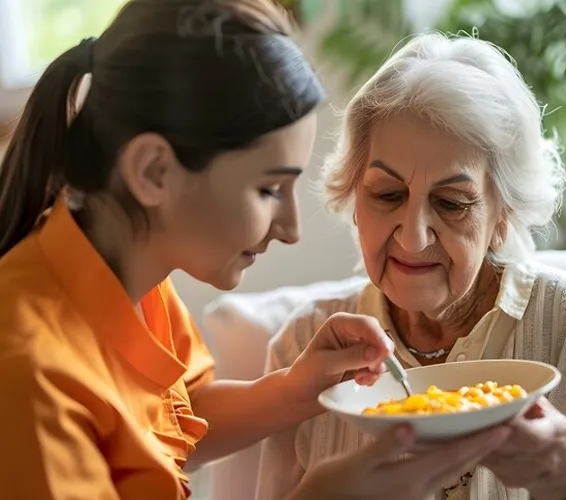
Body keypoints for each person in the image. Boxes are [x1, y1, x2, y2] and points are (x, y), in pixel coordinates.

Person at [0, 2, 516, 499]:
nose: (291, 229)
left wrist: (295, 390)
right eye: (270, 189)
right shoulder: (31, 380)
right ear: (154, 171)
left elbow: (180, 417)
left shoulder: (132, 277)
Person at [256, 32, 566, 500]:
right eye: (387, 195)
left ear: (503, 215)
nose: (413, 236)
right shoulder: (303, 351)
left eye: (451, 203)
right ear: (354, 198)